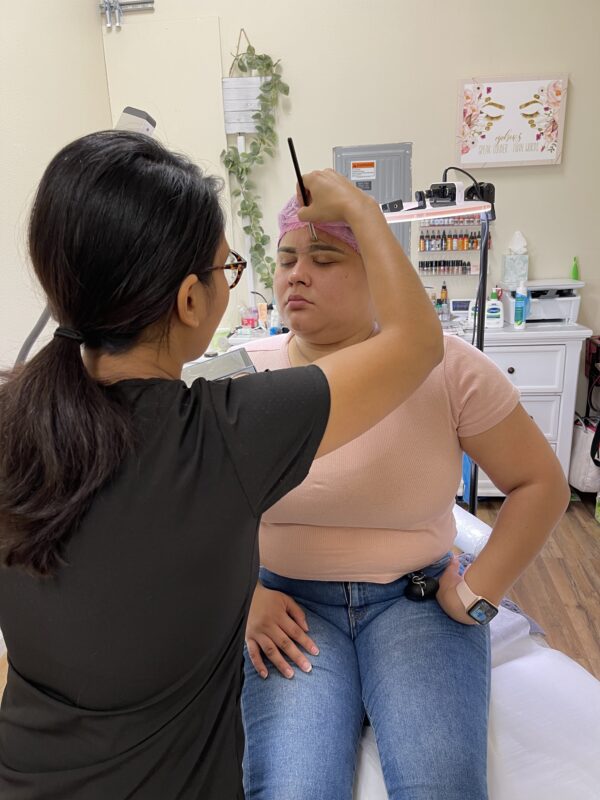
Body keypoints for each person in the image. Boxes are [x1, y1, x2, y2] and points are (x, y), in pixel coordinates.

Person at [0, 131, 442, 799]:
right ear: (189, 300)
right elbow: (417, 343)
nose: (295, 275)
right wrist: (360, 209)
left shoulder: (14, 419)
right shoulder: (228, 433)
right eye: (225, 268)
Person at [240, 196, 571, 800]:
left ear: (380, 271)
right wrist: (245, 598)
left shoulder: (447, 368)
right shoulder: (242, 377)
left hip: (415, 602)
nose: (297, 274)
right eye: (286, 259)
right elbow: (187, 514)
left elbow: (540, 483)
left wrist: (478, 595)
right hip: (288, 610)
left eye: (324, 258)